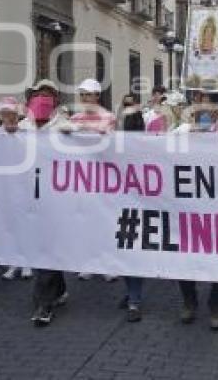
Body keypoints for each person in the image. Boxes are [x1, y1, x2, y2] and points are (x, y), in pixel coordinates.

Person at [173, 91, 218, 330]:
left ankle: (217, 307)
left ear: (217, 110)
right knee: (184, 258)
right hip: (186, 207)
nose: (204, 108)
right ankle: (189, 301)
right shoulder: (181, 133)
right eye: (199, 102)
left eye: (209, 103)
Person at [25, 80, 72, 326]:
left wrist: (70, 134)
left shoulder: (63, 123)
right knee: (42, 250)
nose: (42, 99)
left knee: (46, 249)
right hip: (27, 197)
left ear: (56, 100)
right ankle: (60, 288)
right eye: (38, 95)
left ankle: (43, 304)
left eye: (48, 95)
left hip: (56, 198)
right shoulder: (24, 124)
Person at [69, 79, 116, 281]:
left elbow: (106, 139)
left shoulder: (108, 116)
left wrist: (80, 130)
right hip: (81, 175)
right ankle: (88, 262)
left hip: (103, 175)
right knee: (85, 220)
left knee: (104, 220)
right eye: (82, 95)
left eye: (88, 94)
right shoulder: (75, 118)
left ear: (97, 96)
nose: (85, 98)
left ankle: (108, 263)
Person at [117, 93, 146, 322]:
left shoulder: (148, 140)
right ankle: (130, 293)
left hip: (140, 204)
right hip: (117, 202)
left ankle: (135, 299)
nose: (127, 109)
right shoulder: (113, 138)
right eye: (124, 105)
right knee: (123, 250)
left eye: (131, 105)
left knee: (133, 249)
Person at [0, 97, 33, 281]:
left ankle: (27, 262)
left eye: (12, 114)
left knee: (24, 223)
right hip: (4, 187)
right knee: (9, 225)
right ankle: (13, 263)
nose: (9, 117)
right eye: (5, 114)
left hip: (24, 185)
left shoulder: (28, 133)